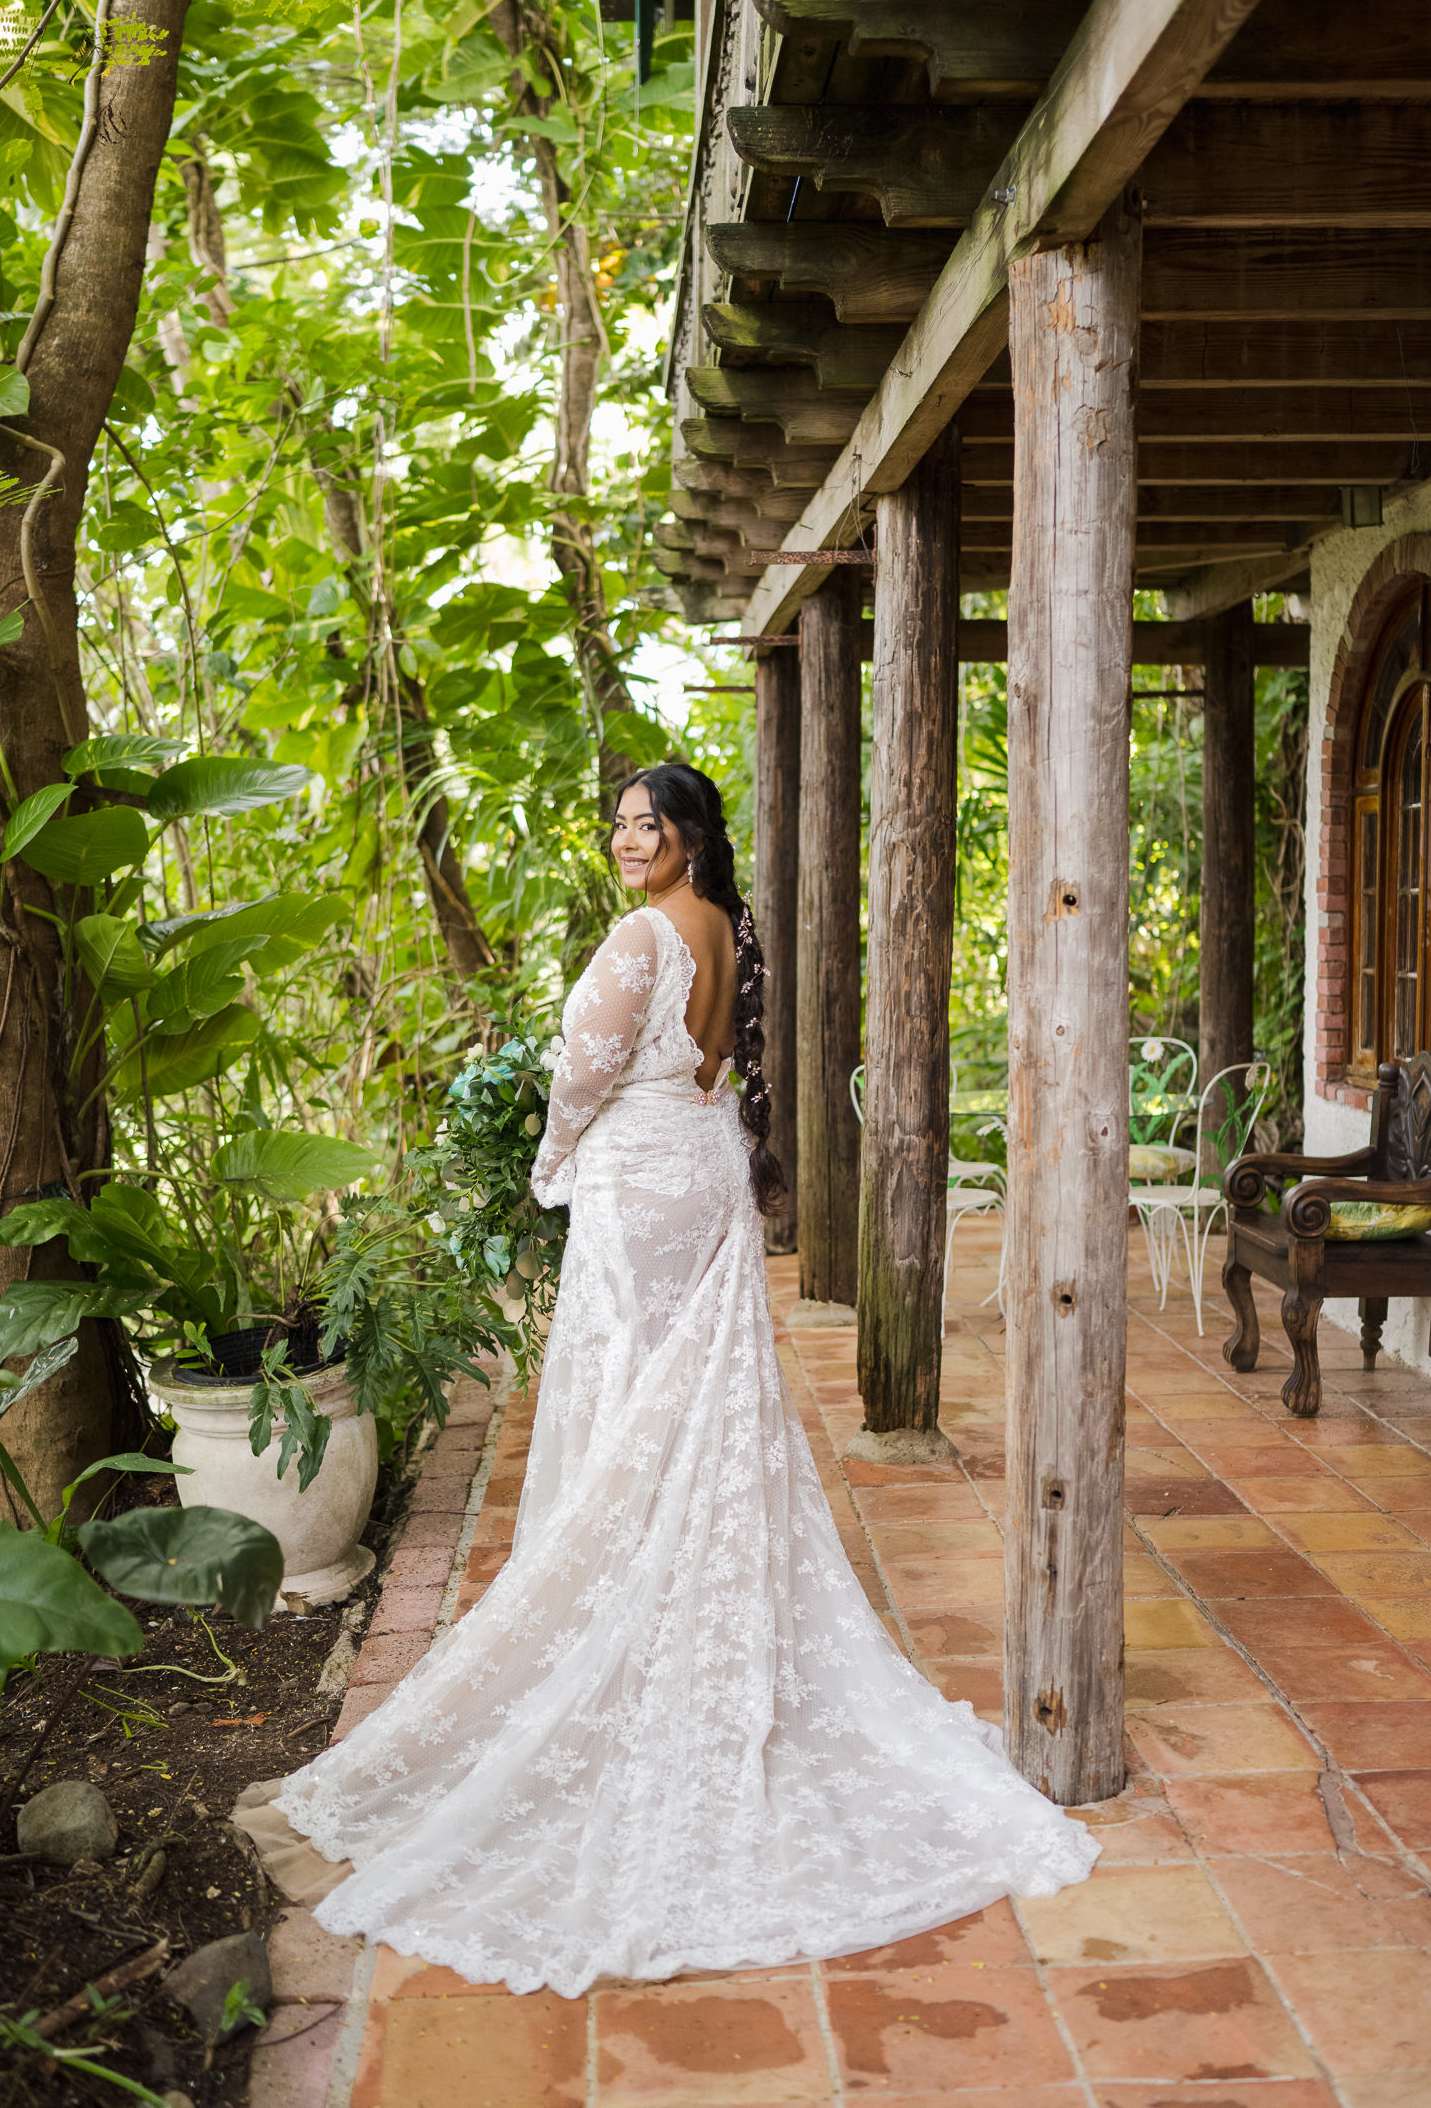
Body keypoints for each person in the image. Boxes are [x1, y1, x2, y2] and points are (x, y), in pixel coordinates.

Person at [272, 762, 1097, 1996]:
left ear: (686, 837)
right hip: (702, 1163)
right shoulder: (727, 930)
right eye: (614, 825)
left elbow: (586, 1068)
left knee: (627, 1400)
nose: (621, 841)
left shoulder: (645, 934)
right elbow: (706, 1069)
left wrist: (550, 1161)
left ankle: (618, 1593)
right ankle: (666, 1571)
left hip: (640, 1180)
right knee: (691, 1395)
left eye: (640, 825)